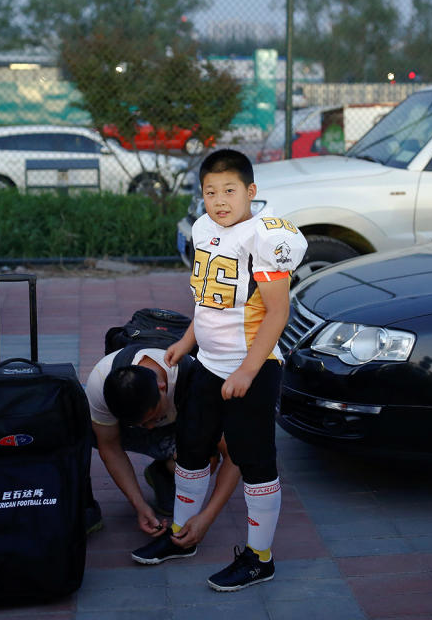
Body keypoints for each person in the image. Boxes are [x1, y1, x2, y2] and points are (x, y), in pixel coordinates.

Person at [129, 149, 307, 591]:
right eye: (211, 191)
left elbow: (277, 314)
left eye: (230, 190)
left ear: (250, 192)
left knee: (255, 461)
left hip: (253, 367)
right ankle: (181, 537)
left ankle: (259, 558)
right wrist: (186, 341)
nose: (220, 200)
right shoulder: (205, 228)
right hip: (209, 364)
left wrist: (247, 371)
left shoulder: (265, 237)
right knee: (191, 449)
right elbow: (210, 300)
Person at [84, 343, 240, 539]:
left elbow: (235, 455)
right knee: (81, 427)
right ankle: (83, 503)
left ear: (162, 387)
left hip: (177, 426)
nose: (149, 427)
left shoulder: (195, 382)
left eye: (154, 417)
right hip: (127, 431)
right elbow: (110, 448)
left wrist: (206, 518)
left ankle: (163, 473)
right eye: (142, 423)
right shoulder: (99, 380)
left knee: (206, 460)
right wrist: (139, 505)